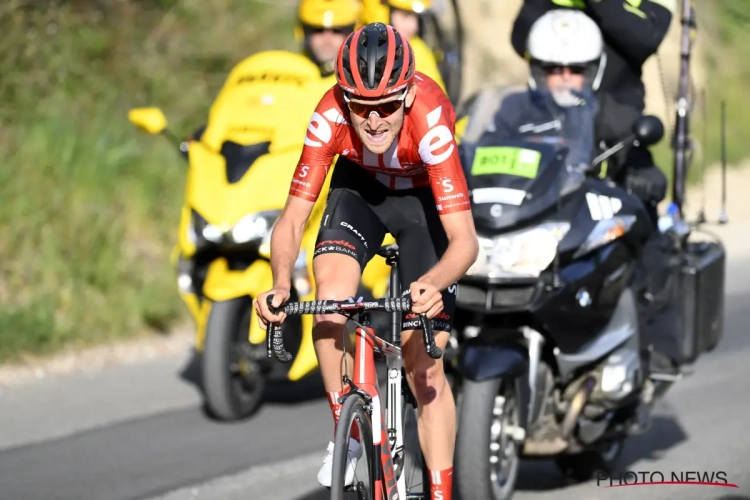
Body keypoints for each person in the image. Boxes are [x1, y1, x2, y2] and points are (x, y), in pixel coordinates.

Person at [254, 22, 478, 500]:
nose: (374, 121)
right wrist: (280, 283)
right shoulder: (329, 114)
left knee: (424, 368)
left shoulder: (431, 118)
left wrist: (435, 282)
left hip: (423, 203)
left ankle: (440, 493)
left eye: (386, 107)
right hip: (361, 191)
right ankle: (349, 434)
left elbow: (464, 242)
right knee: (330, 303)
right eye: (361, 108)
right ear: (344, 99)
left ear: (407, 95)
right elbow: (292, 220)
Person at [509, 0, 682, 375]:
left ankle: (656, 348)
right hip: (548, 129)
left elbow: (646, 35)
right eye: (555, 69)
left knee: (644, 222)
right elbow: (522, 37)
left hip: (620, 136)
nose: (564, 74)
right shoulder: (520, 104)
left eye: (573, 69)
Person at [360, 0, 447, 91]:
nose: (413, 26)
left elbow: (436, 94)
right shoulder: (357, 47)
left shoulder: (418, 49)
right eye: (405, 16)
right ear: (384, 12)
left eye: (415, 17)